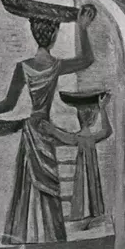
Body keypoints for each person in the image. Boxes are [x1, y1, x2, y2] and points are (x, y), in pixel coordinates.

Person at [0, 3, 96, 244]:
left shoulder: (24, 67)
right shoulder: (56, 66)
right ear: (54, 35)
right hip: (44, 129)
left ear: (34, 34)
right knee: (47, 182)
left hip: (31, 130)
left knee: (27, 184)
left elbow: (8, 103)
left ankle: (25, 237)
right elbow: (87, 59)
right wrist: (82, 28)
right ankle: (50, 237)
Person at [48, 92, 112, 228]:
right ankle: (88, 214)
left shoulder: (83, 138)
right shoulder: (86, 138)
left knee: (87, 188)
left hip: (84, 174)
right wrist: (102, 109)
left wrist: (52, 129)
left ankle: (88, 214)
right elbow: (106, 131)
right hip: (82, 174)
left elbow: (106, 131)